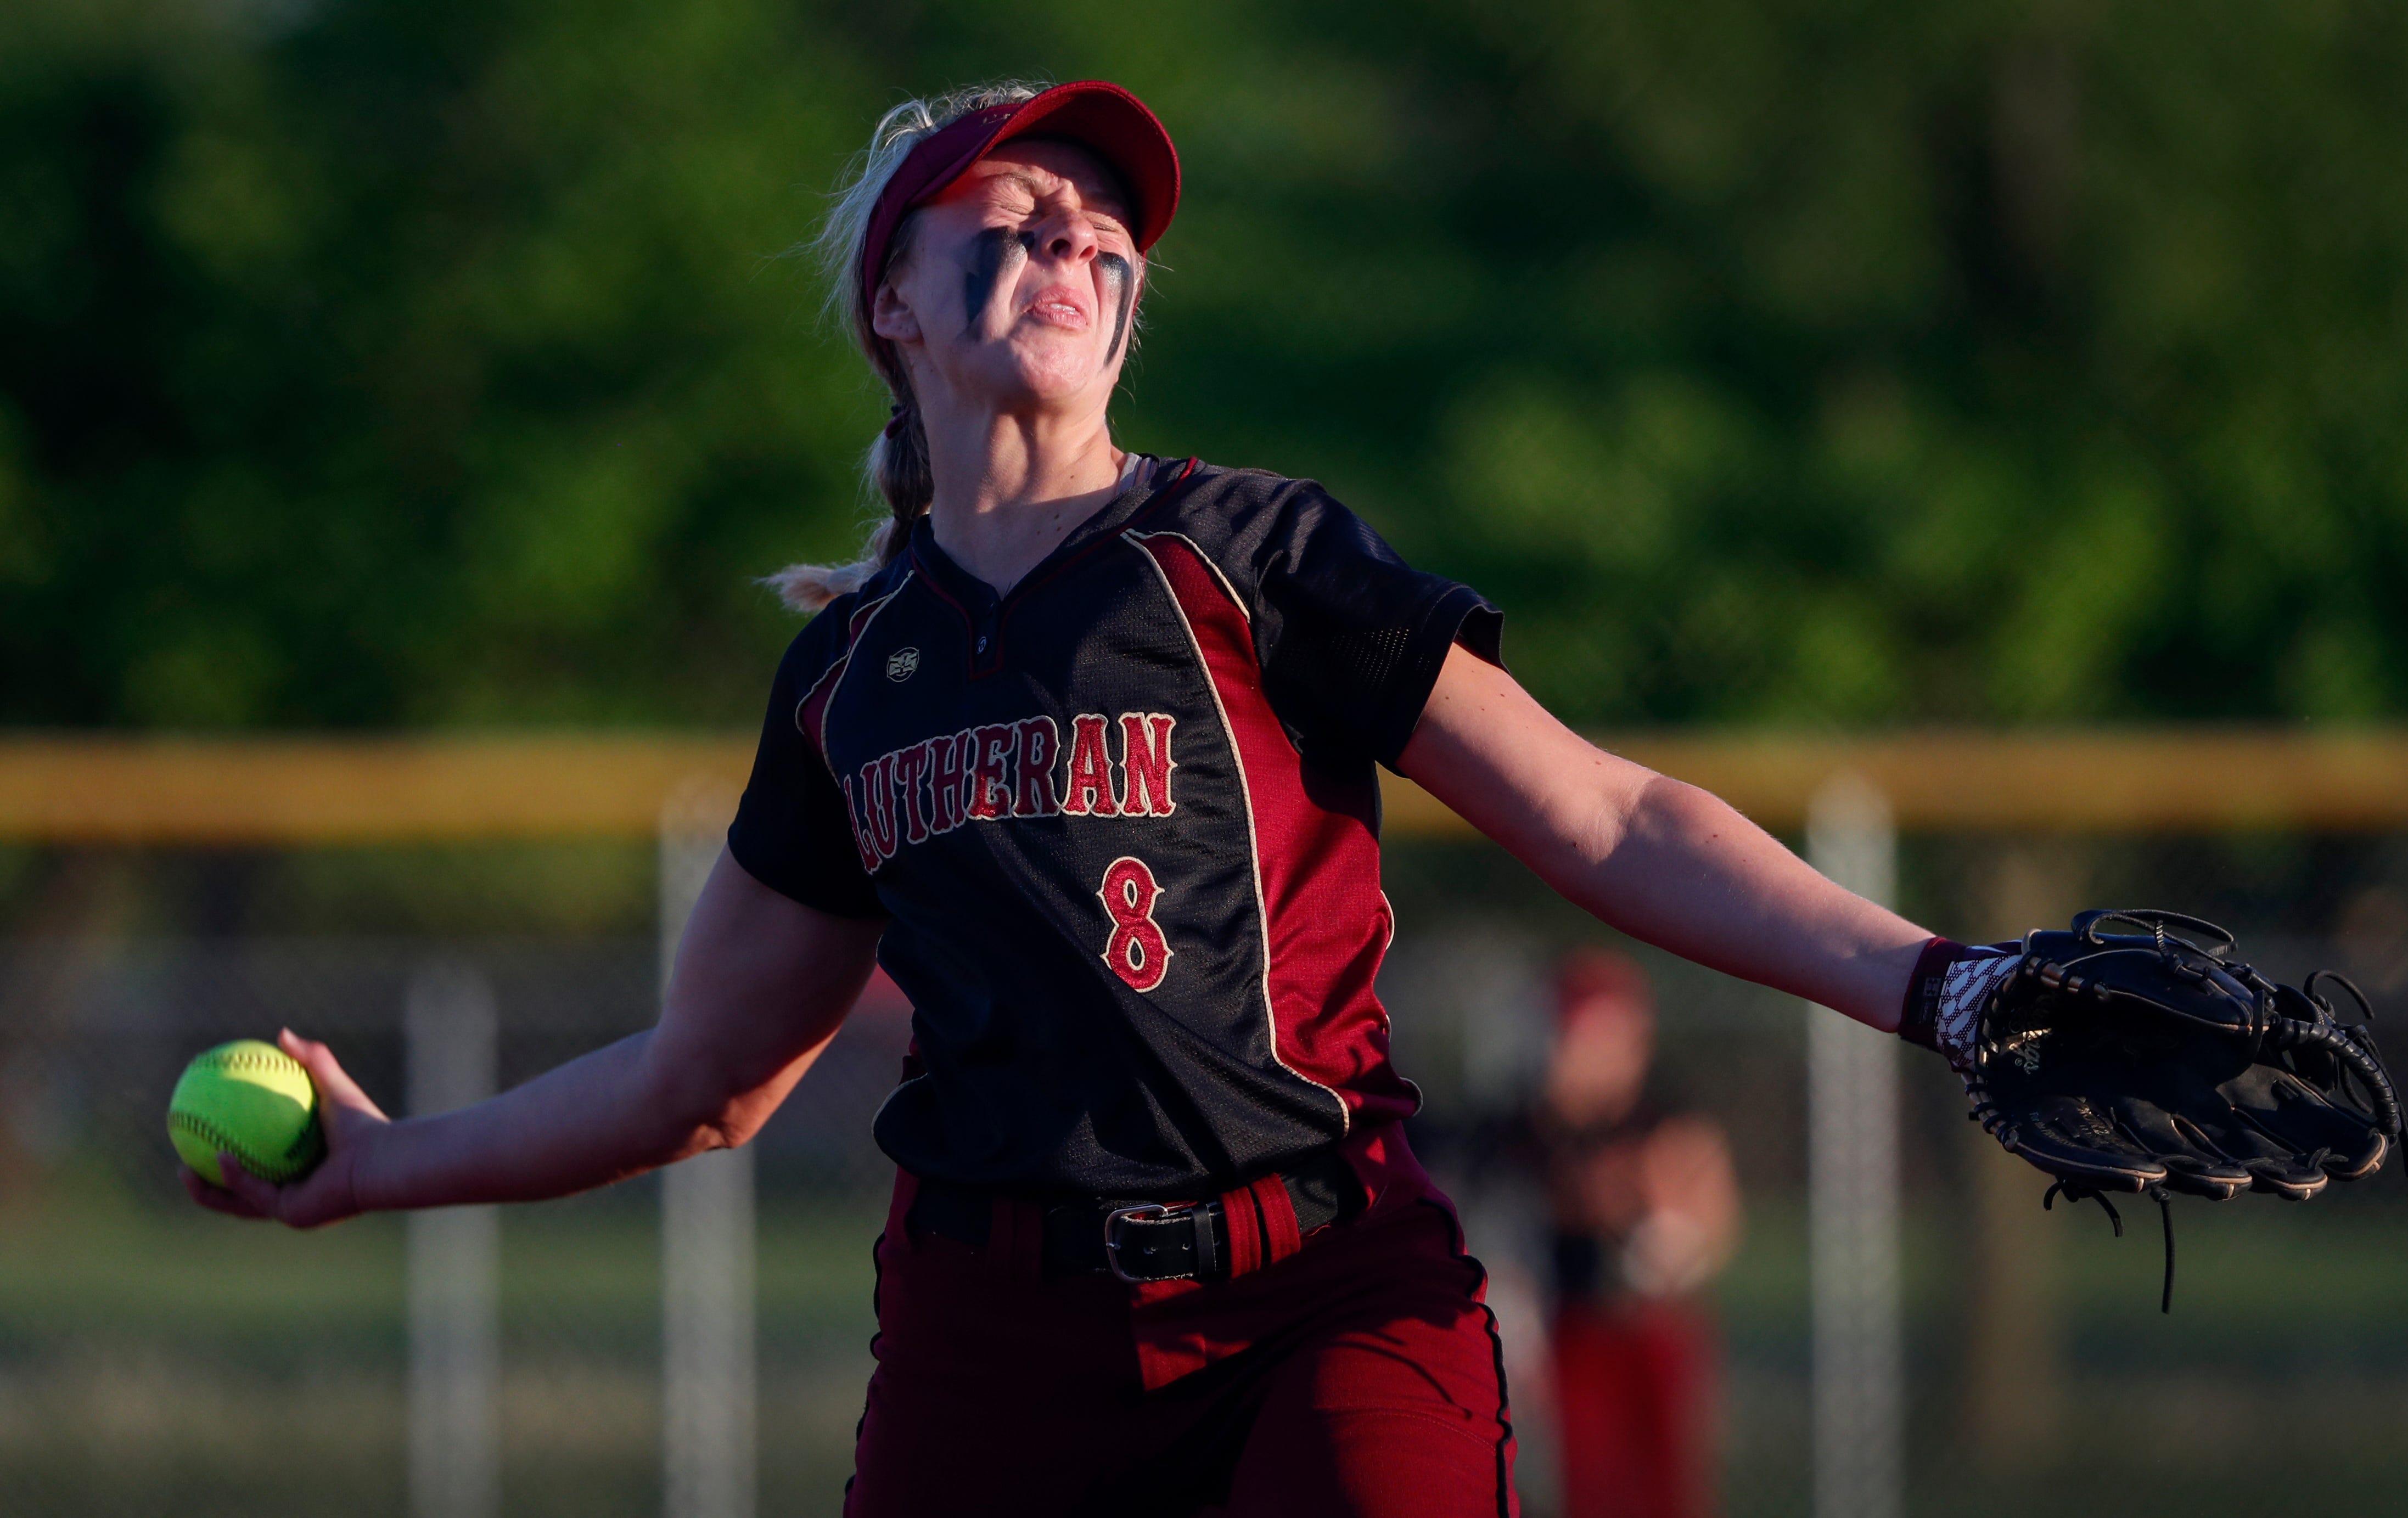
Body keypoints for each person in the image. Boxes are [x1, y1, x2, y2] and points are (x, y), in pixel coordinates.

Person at [186, 80, 2004, 1517]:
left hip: (1323, 1282)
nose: (1071, 235)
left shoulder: (1246, 552)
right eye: (1015, 209)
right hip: (1001, 1337)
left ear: (1128, 315)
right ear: (892, 297)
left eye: (1104, 227)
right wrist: (383, 1165)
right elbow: (700, 1080)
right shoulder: (846, 677)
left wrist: (1950, 985)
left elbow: (1603, 816)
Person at [1518, 948, 1738, 1518]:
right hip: (1574, 1323)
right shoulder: (1539, 1127)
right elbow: (1552, 1201)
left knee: (1668, 1487)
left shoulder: (1667, 1117)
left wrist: (1674, 1229)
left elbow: (1715, 1217)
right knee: (1587, 1486)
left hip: (1657, 1327)